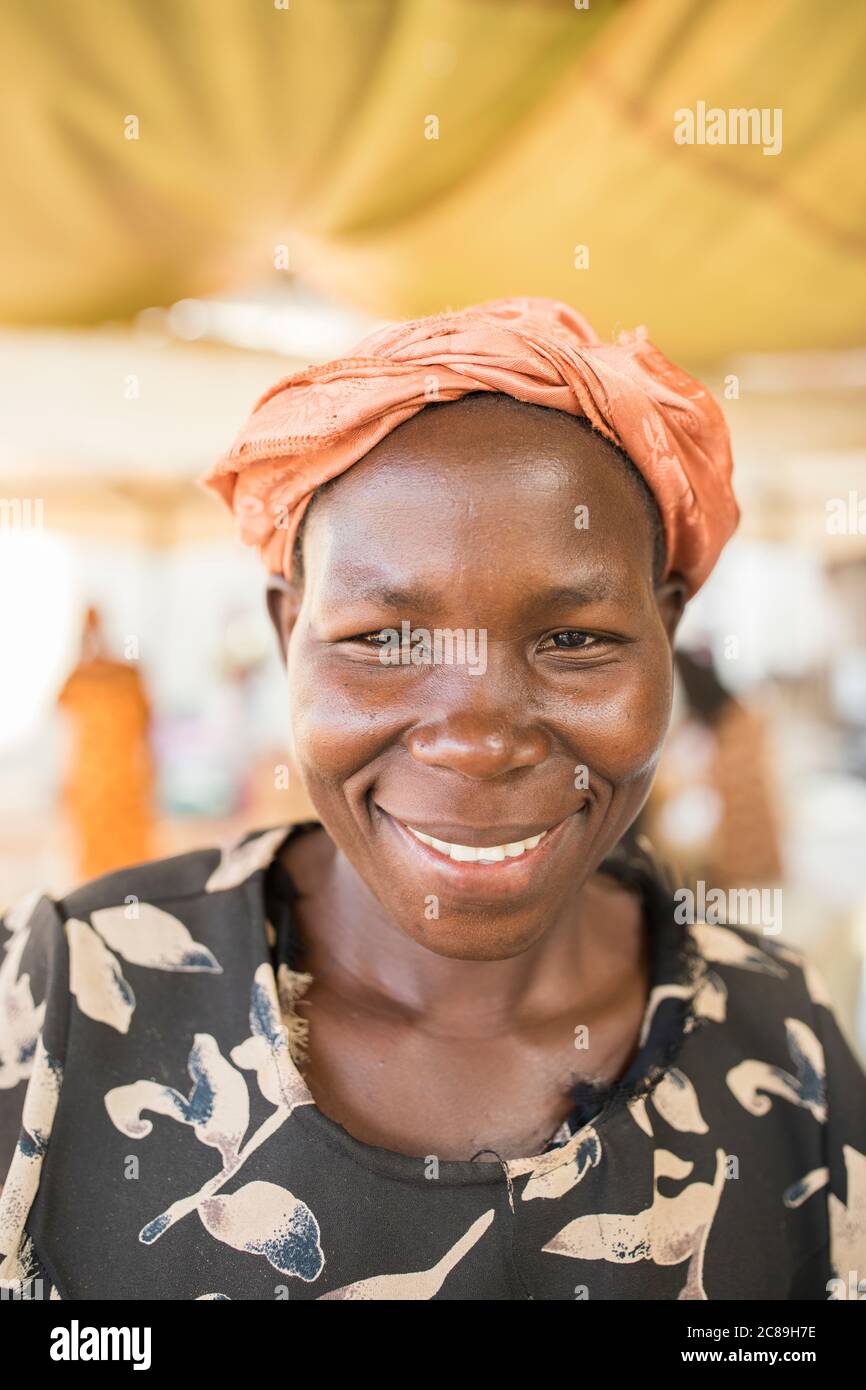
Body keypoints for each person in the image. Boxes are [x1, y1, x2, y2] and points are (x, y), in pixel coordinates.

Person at [1, 299, 864, 1301]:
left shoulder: (779, 1040)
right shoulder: (62, 1004)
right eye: (382, 639)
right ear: (289, 636)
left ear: (665, 634)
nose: (478, 739)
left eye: (573, 639)